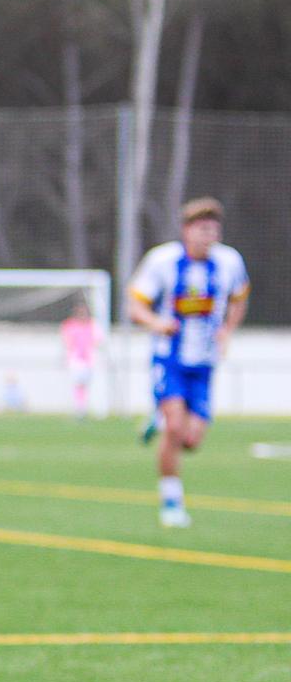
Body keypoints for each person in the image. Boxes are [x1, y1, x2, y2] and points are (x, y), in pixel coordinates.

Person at [127, 197, 250, 528]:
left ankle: (159, 418)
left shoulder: (229, 262)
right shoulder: (163, 261)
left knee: (192, 440)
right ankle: (171, 502)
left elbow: (239, 298)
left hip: (205, 362)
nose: (208, 236)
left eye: (213, 230)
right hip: (170, 359)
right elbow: (135, 305)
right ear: (186, 231)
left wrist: (227, 331)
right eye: (201, 229)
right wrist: (156, 324)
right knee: (176, 427)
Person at [60, 299, 98, 420]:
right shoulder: (69, 325)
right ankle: (79, 409)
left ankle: (84, 408)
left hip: (88, 360)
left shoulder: (92, 325)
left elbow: (98, 340)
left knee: (85, 385)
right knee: (78, 384)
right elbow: (67, 341)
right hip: (76, 360)